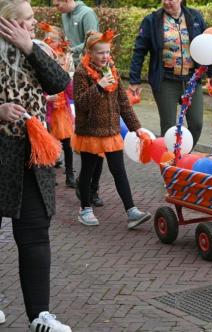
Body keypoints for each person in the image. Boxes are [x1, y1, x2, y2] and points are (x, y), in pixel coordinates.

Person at [0, 0, 72, 330]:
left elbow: (58, 82)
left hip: (32, 149)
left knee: (34, 231)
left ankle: (39, 315)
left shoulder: (37, 48)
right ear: (6, 23)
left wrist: (29, 47)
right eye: (25, 19)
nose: (32, 23)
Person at [72, 30, 152, 228]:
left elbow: (123, 102)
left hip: (111, 130)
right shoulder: (82, 73)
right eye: (100, 53)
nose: (105, 56)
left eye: (107, 52)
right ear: (89, 53)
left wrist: (136, 128)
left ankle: (131, 211)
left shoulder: (112, 69)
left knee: (119, 171)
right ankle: (85, 209)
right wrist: (98, 86)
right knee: (88, 171)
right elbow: (80, 103)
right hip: (90, 131)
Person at [129, 0, 212, 144]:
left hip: (192, 80)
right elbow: (139, 51)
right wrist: (134, 80)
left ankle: (184, 154)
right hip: (165, 81)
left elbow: (207, 43)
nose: (166, 2)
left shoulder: (195, 17)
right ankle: (170, 161)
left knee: (196, 124)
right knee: (169, 127)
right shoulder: (152, 21)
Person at [52, 0, 103, 206]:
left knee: (96, 137)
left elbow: (93, 41)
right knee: (80, 129)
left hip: (89, 72)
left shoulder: (87, 13)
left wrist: (70, 49)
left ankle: (91, 187)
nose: (56, 7)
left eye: (58, 3)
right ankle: (85, 184)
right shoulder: (65, 15)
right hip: (73, 73)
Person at [39, 22, 77, 188]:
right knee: (50, 142)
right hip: (48, 108)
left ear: (61, 41)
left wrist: (69, 76)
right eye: (47, 38)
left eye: (53, 39)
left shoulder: (66, 59)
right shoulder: (40, 59)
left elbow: (71, 89)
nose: (49, 41)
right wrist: (46, 98)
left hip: (63, 109)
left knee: (67, 144)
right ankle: (50, 174)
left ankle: (70, 175)